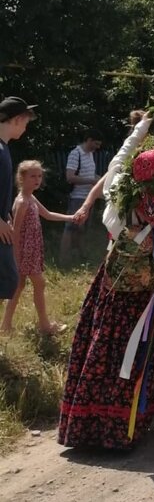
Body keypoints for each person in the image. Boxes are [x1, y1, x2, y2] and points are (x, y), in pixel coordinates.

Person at [58, 113, 154, 449]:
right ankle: (122, 428)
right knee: (139, 353)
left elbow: (117, 162)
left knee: (102, 346)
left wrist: (140, 130)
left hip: (112, 285)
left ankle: (85, 425)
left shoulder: (117, 198)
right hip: (150, 291)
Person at [1, 160, 74, 335]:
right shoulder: (22, 202)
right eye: (32, 176)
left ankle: (5, 325)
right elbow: (15, 232)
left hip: (32, 250)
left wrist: (70, 218)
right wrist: (15, 258)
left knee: (18, 287)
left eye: (39, 176)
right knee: (39, 283)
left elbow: (47, 215)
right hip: (24, 253)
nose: (37, 180)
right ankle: (45, 326)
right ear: (21, 178)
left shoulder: (31, 197)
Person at [0, 97, 37, 302]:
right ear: (15, 120)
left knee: (7, 281)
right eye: (25, 122)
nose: (25, 127)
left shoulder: (4, 148)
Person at [59, 129, 103, 265]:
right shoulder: (76, 153)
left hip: (88, 198)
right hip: (77, 197)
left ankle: (79, 255)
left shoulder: (90, 155)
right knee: (70, 227)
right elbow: (70, 177)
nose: (97, 147)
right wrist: (92, 181)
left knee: (82, 228)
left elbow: (90, 174)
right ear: (89, 140)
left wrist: (100, 180)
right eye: (96, 144)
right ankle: (63, 258)